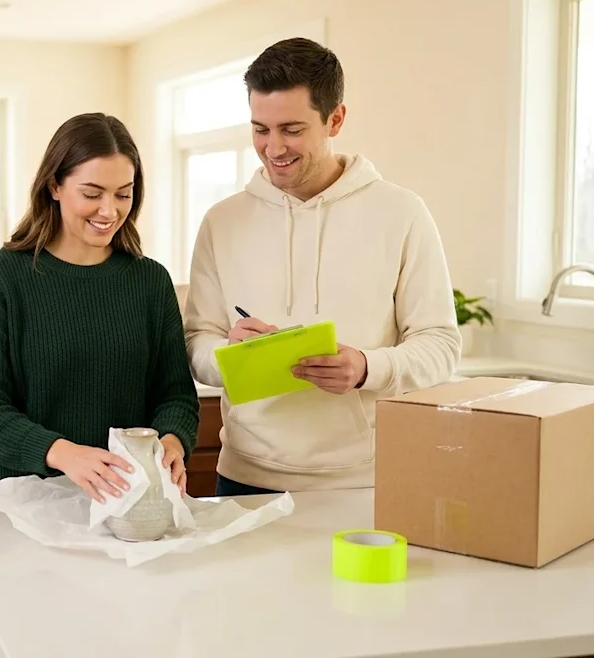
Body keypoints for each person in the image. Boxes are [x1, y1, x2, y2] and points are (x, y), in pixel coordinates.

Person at [183, 37, 461, 496]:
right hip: (245, 476)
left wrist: (367, 367)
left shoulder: (402, 213)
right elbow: (196, 343)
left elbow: (441, 345)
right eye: (260, 129)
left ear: (336, 119)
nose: (273, 149)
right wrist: (227, 353)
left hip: (365, 481)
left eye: (291, 129)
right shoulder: (222, 221)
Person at [0, 112, 200, 510]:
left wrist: (173, 439)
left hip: (125, 502)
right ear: (54, 185)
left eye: (124, 194)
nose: (109, 210)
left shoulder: (150, 282)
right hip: (21, 504)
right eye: (92, 193)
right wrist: (63, 453)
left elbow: (174, 394)